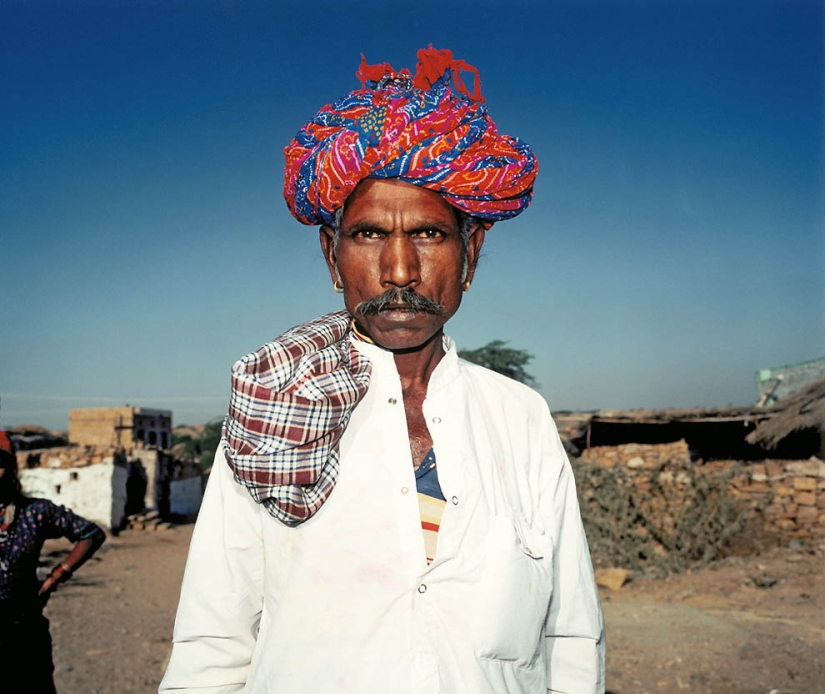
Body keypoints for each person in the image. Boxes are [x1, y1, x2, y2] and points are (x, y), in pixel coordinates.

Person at [161, 46, 605, 693]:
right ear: (331, 255)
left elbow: (568, 634)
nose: (400, 271)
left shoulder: (519, 417)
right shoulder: (272, 410)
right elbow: (213, 643)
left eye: (428, 234)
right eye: (369, 235)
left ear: (471, 252)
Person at [0, 431, 106, 694]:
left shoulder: (35, 513)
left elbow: (90, 534)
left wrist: (57, 576)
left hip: (23, 633)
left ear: (11, 469)